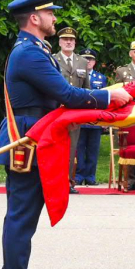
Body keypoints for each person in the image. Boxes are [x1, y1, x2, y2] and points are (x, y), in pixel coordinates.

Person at [0, 0, 128, 269]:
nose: (55, 18)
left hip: (37, 136)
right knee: (21, 219)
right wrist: (109, 98)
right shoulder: (30, 54)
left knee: (22, 218)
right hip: (29, 139)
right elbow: (65, 93)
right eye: (50, 13)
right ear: (35, 19)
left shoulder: (34, 50)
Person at [53, 26, 90, 193]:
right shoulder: (52, 60)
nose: (69, 42)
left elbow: (87, 88)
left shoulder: (82, 62)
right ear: (60, 42)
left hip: (74, 112)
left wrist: (86, 110)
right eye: (65, 40)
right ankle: (54, 181)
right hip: (56, 111)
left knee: (71, 148)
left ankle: (67, 182)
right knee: (55, 148)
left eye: (72, 40)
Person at [113, 41, 135, 191]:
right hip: (127, 111)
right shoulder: (122, 71)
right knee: (129, 142)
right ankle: (129, 179)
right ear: (130, 54)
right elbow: (117, 90)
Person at [74, 48, 108, 186]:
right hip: (81, 117)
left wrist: (105, 119)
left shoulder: (101, 78)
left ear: (94, 62)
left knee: (93, 149)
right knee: (80, 148)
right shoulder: (76, 76)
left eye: (91, 59)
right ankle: (79, 175)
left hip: (96, 118)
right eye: (85, 59)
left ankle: (90, 176)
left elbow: (105, 99)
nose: (88, 61)